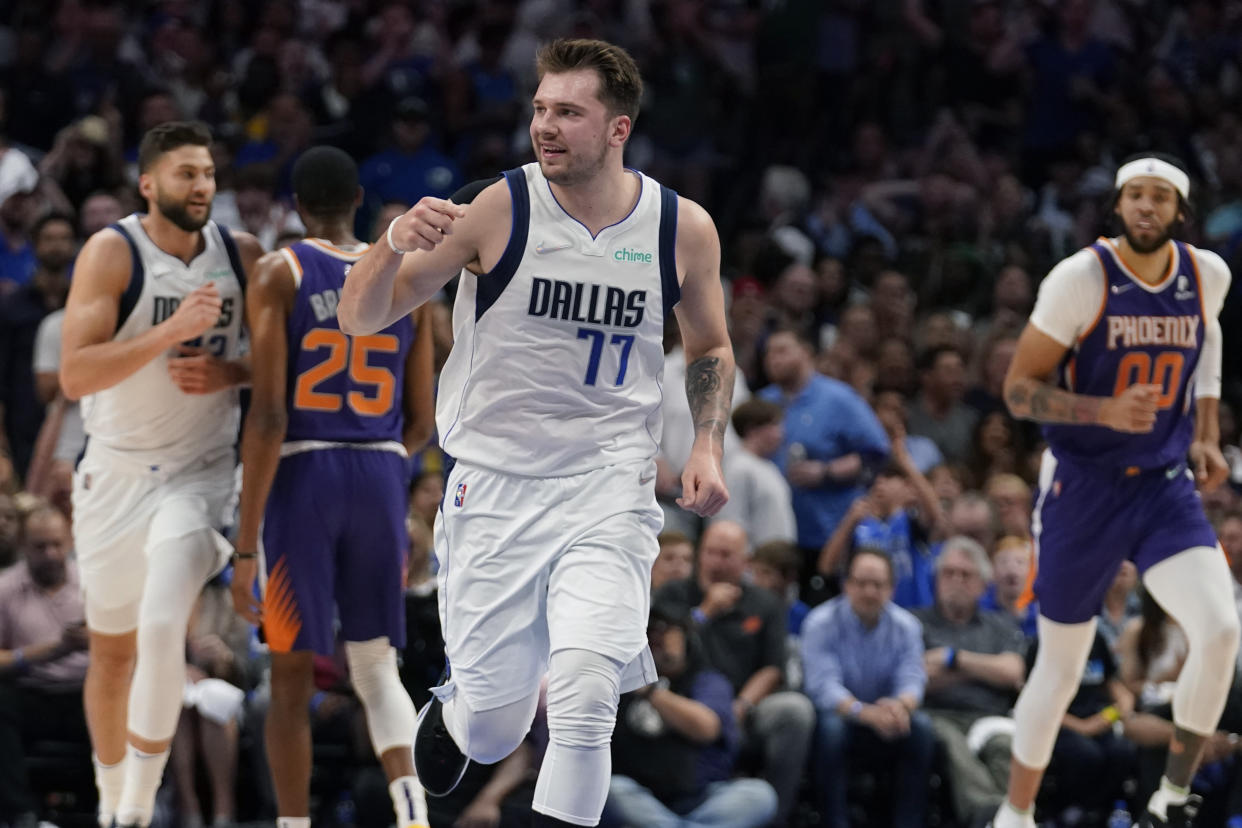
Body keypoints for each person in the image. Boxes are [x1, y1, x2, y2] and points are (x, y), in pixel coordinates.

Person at [338, 39, 734, 828]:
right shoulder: (498, 207)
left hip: (609, 482)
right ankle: (457, 713)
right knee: (495, 729)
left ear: (618, 129)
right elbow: (363, 316)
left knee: (588, 698)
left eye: (568, 113)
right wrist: (389, 244)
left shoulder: (680, 228)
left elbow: (712, 344)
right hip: (495, 484)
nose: (545, 127)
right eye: (540, 110)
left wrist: (706, 442)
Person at [992, 153, 1239, 828]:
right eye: (1135, 195)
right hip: (1084, 486)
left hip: (1163, 485)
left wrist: (1206, 430)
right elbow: (1017, 390)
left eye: (1160, 197)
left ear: (1180, 212)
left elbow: (1207, 339)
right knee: (1063, 665)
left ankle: (1171, 796)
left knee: (1221, 631)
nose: (1147, 207)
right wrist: (1102, 410)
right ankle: (1015, 813)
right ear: (1119, 206)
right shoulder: (1081, 278)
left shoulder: (1206, 274)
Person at [59, 121, 261, 828]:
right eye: (185, 174)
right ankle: (112, 798)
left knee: (161, 619)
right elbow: (76, 373)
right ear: (148, 185)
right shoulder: (113, 252)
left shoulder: (243, 255)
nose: (201, 185)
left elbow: (282, 369)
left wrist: (232, 370)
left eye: (207, 172)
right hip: (114, 473)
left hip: (201, 475)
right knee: (112, 656)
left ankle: (139, 810)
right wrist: (169, 334)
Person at [229, 146, 436, 828]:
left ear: (296, 204)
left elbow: (267, 413)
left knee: (289, 676)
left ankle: (294, 824)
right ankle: (412, 812)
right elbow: (424, 420)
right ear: (358, 203)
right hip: (380, 469)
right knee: (377, 664)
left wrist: (247, 543)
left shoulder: (280, 270)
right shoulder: (406, 276)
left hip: (303, 471)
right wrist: (378, 462)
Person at [655, 521, 816, 825]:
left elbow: (772, 668)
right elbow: (664, 655)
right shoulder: (673, 594)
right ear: (701, 555)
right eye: (711, 553)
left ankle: (774, 818)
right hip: (681, 703)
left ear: (745, 561)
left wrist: (741, 707)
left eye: (727, 555)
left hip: (743, 707)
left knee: (796, 711)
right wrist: (704, 612)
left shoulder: (765, 603)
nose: (717, 561)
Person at [604, 603, 778, 828]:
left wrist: (649, 689)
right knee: (610, 790)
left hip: (701, 798)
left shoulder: (707, 680)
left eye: (667, 631)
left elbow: (707, 728)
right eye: (651, 632)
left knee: (759, 795)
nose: (657, 639)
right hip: (639, 793)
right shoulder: (617, 680)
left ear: (686, 637)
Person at [801, 548, 935, 828]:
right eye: (861, 583)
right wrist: (863, 712)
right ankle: (834, 822)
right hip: (842, 715)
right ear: (846, 585)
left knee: (921, 727)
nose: (869, 592)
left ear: (892, 589)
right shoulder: (819, 623)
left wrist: (901, 705)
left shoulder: (907, 626)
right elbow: (823, 687)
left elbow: (913, 678)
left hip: (887, 716)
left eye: (878, 585)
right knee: (831, 730)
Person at [915, 537, 1027, 826]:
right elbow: (915, 679)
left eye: (966, 575)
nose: (956, 581)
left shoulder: (999, 625)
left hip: (989, 718)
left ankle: (1013, 819)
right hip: (937, 715)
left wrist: (953, 660)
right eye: (948, 573)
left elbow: (1013, 672)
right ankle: (989, 814)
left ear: (982, 584)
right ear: (937, 580)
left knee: (1007, 746)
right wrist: (983, 670)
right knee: (952, 743)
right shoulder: (915, 623)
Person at [0, 505, 90, 828]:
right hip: (32, 693)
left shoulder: (93, 582)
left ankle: (116, 809)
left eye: (57, 544)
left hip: (87, 691)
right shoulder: (5, 589)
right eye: (40, 547)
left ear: (69, 542)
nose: (51, 554)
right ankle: (22, 813)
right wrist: (54, 650)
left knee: (125, 692)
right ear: (24, 546)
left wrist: (103, 641)